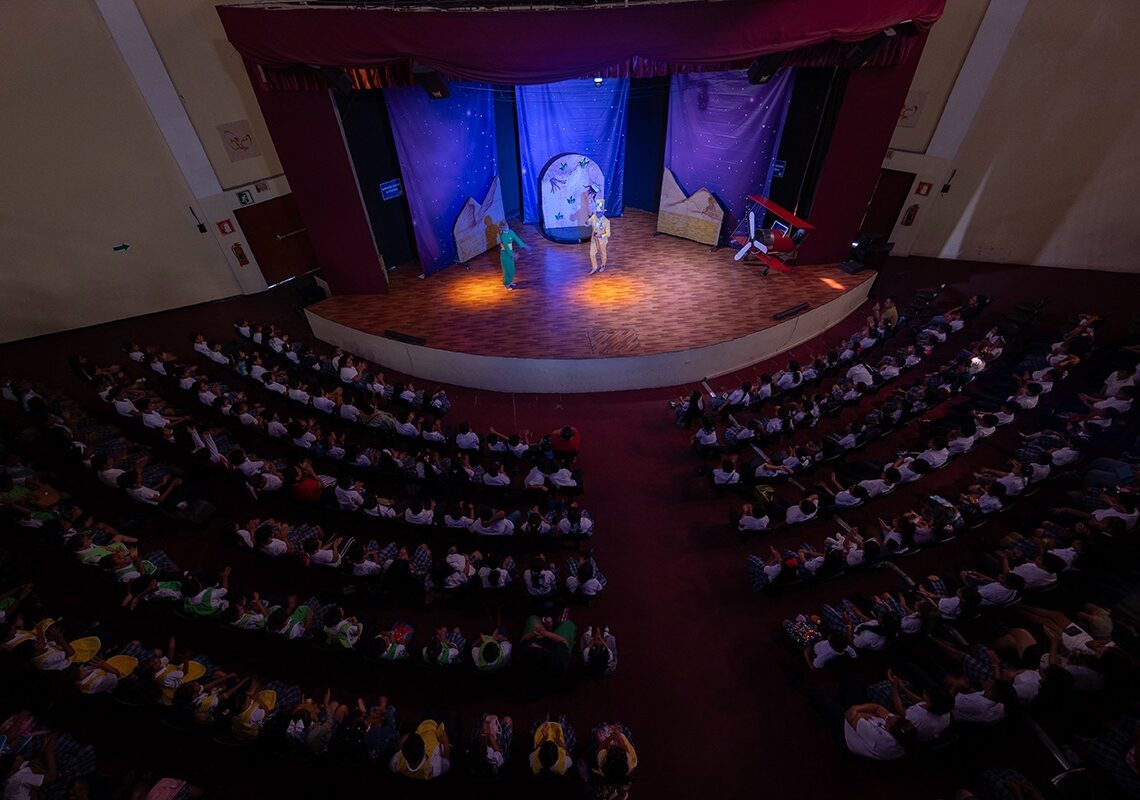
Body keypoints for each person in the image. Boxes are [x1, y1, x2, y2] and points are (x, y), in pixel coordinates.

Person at [497, 221, 526, 291]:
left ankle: (510, 281)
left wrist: (523, 245)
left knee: (512, 268)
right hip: (505, 254)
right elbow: (506, 247)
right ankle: (506, 284)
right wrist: (513, 254)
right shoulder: (503, 236)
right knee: (507, 269)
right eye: (504, 227)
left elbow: (517, 239)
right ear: (501, 228)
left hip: (510, 253)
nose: (506, 227)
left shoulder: (511, 232)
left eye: (506, 226)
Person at [587, 201, 611, 275]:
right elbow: (588, 222)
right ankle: (594, 267)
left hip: (602, 241)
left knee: (602, 253)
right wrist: (586, 223)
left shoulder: (606, 221)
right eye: (597, 212)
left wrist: (601, 236)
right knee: (592, 253)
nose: (598, 214)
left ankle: (603, 265)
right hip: (594, 239)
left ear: (603, 212)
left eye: (599, 213)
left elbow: (608, 234)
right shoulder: (594, 217)